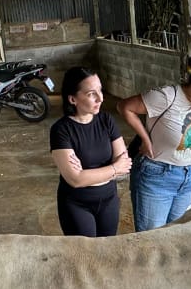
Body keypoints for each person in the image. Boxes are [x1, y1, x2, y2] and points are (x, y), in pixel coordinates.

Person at [118, 55, 191, 232]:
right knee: (152, 238)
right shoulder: (167, 95)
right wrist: (145, 138)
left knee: (176, 235)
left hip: (187, 178)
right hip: (156, 174)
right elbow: (125, 107)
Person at [49, 67, 132, 237]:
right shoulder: (61, 130)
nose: (100, 98)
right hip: (77, 204)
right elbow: (76, 180)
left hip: (109, 199)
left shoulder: (106, 120)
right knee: (84, 257)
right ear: (73, 99)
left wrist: (88, 174)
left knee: (106, 252)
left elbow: (125, 165)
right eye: (91, 94)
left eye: (100, 90)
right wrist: (114, 168)